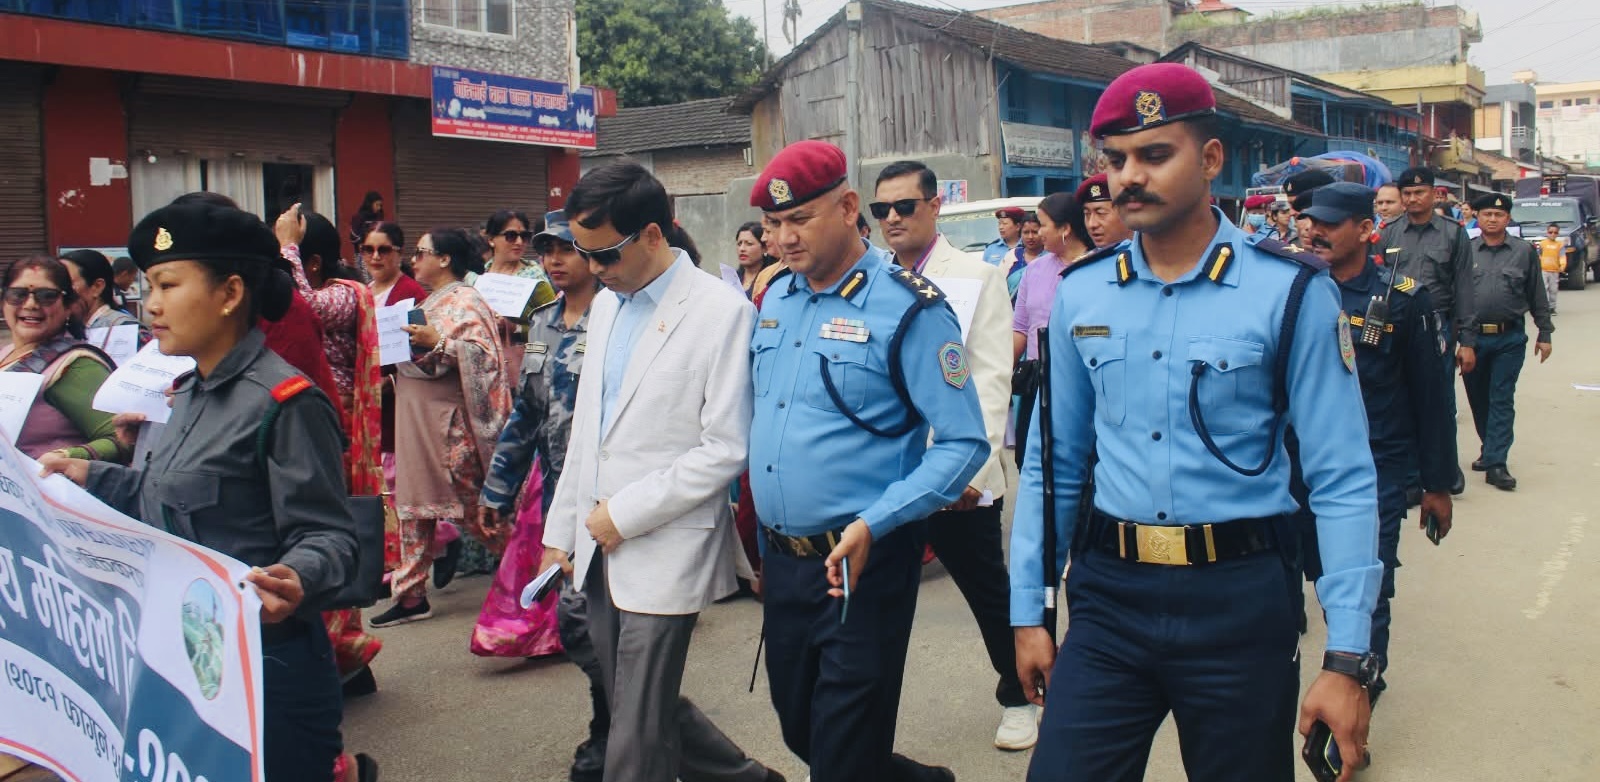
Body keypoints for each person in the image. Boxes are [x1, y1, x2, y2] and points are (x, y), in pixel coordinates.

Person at [1011, 63, 1381, 782]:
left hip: (1239, 599)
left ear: (1211, 159)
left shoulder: (1290, 292)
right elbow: (1053, 463)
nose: (1129, 177)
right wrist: (1030, 611)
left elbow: (1341, 477)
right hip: (1110, 597)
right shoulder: (1084, 294)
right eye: (1116, 159)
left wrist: (1347, 658)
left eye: (1155, 154)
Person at [39, 200, 374, 782]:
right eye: (150, 286)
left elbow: (331, 536)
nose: (152, 304)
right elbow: (167, 499)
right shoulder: (189, 391)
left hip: (268, 672)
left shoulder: (285, 404)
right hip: (189, 663)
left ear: (230, 294)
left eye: (168, 285)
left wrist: (297, 576)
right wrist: (91, 477)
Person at [750, 140, 988, 781]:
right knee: (802, 729)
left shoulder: (910, 307)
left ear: (849, 207)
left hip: (863, 562)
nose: (784, 238)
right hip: (784, 561)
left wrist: (877, 522)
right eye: (773, 223)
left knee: (842, 754)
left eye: (800, 219)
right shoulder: (777, 298)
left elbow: (964, 442)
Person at [536, 162, 780, 782]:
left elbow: (726, 447)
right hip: (597, 540)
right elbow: (589, 431)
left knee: (636, 731)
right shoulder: (608, 306)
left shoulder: (721, 311)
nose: (594, 269)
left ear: (652, 233)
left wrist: (624, 514)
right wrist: (560, 531)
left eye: (604, 254)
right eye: (584, 254)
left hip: (665, 539)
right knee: (635, 701)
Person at [872, 159, 1028, 750]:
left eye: (904, 206)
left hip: (955, 473)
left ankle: (1020, 693)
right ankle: (858, 735)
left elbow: (989, 378)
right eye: (881, 209)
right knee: (877, 605)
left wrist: (972, 470)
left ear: (934, 206)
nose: (891, 218)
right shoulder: (870, 278)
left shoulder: (974, 277)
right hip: (887, 474)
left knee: (986, 591)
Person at [1296, 181, 1457, 705]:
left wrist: (1436, 483)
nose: (1314, 232)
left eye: (1330, 224)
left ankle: (1359, 689)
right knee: (1293, 577)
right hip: (1297, 465)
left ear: (1366, 230)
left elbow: (1432, 398)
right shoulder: (1293, 289)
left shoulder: (1403, 300)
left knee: (1365, 585)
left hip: (1374, 467)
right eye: (1311, 222)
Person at [479, 210, 607, 780]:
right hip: (559, 498)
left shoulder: (617, 315)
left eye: (566, 248)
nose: (554, 259)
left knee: (592, 625)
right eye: (546, 249)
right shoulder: (544, 321)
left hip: (608, 502)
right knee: (583, 623)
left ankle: (615, 729)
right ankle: (621, 723)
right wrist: (498, 488)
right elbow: (527, 414)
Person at [371, 228, 512, 627]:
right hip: (416, 418)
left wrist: (440, 344)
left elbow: (485, 358)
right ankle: (411, 594)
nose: (414, 259)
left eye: (421, 252)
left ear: (445, 259)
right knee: (413, 507)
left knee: (474, 511)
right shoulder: (428, 301)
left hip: (448, 425)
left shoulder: (467, 300)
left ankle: (533, 569)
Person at [273, 205, 386, 691]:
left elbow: (301, 308)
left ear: (312, 262)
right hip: (309, 426)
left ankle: (347, 659)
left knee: (329, 539)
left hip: (334, 433)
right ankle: (343, 659)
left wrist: (286, 248)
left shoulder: (344, 294)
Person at [1376, 167, 1475, 496]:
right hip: (1397, 325)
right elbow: (1376, 280)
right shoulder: (1389, 233)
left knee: (1439, 400)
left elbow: (1464, 288)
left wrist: (1467, 340)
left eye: (1419, 192)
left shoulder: (1453, 234)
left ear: (1434, 194)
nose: (1413, 199)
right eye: (1407, 193)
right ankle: (1410, 476)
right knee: (1401, 400)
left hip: (1437, 325)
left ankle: (1444, 470)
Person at [1463, 193, 1553, 491]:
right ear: (1478, 217)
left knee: (1501, 397)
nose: (1492, 219)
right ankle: (1489, 447)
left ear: (1508, 219)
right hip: (1473, 338)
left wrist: (1545, 332)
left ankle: (1497, 463)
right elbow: (1456, 295)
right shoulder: (1465, 250)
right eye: (1487, 214)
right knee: (1478, 397)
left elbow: (1537, 293)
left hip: (1509, 337)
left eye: (1498, 215)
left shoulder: (1523, 251)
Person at [1, 257, 128, 462]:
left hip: (46, 480)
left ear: (68, 306)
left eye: (47, 296)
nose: (31, 304)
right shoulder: (6, 353)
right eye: (17, 294)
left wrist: (65, 457)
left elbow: (124, 438)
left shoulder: (76, 365)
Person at [1014, 192, 1091, 363]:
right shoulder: (1034, 269)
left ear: (1065, 229)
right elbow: (1020, 329)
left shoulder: (1097, 267)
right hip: (1038, 374)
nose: (1039, 232)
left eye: (1042, 225)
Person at [61, 248, 150, 346]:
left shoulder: (127, 330)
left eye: (67, 283)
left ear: (97, 287)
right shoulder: (64, 331)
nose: (60, 291)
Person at [1077, 173, 1132, 249]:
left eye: (1100, 213)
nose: (1092, 224)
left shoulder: (1147, 253)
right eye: (1087, 214)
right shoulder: (1093, 256)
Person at [734, 221, 784, 301]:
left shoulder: (773, 277)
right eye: (739, 244)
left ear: (764, 248)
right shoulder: (729, 279)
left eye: (749, 244)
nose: (742, 249)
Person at [1536, 223, 1564, 313]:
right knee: (1544, 289)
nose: (1553, 234)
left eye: (1555, 232)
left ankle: (1552, 307)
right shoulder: (1542, 244)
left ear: (1558, 233)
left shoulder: (1559, 245)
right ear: (1547, 232)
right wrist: (1537, 266)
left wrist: (1562, 265)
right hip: (1544, 270)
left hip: (1554, 271)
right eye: (1550, 232)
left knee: (1553, 290)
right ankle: (1545, 306)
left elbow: (1562, 257)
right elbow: (1538, 256)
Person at [349, 190, 385, 259]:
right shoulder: (358, 217)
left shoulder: (378, 216)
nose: (379, 208)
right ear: (370, 204)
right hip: (363, 254)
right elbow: (353, 237)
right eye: (377, 205)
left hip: (378, 254)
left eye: (380, 205)